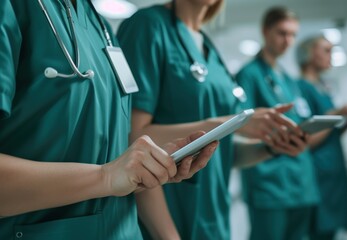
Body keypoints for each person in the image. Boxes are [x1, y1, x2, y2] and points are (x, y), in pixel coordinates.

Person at [0, 1, 218, 239]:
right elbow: (111, 173)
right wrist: (105, 176)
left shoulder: (99, 25)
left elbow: (113, 147)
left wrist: (147, 164)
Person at [117, 1, 309, 239]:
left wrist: (269, 149)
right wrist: (230, 123)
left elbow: (221, 151)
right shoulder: (148, 26)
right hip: (168, 214)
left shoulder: (208, 47)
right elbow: (131, 138)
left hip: (213, 215)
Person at [235, 6, 320, 240]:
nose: (288, 41)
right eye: (282, 33)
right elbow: (243, 128)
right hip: (270, 183)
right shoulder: (249, 75)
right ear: (265, 31)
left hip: (300, 182)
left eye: (293, 35)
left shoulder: (288, 79)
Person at [297, 35, 347, 240]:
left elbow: (330, 132)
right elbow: (307, 138)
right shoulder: (300, 88)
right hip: (317, 173)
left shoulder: (323, 88)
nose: (331, 55)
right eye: (326, 50)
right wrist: (335, 114)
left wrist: (346, 122)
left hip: (333, 173)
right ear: (308, 55)